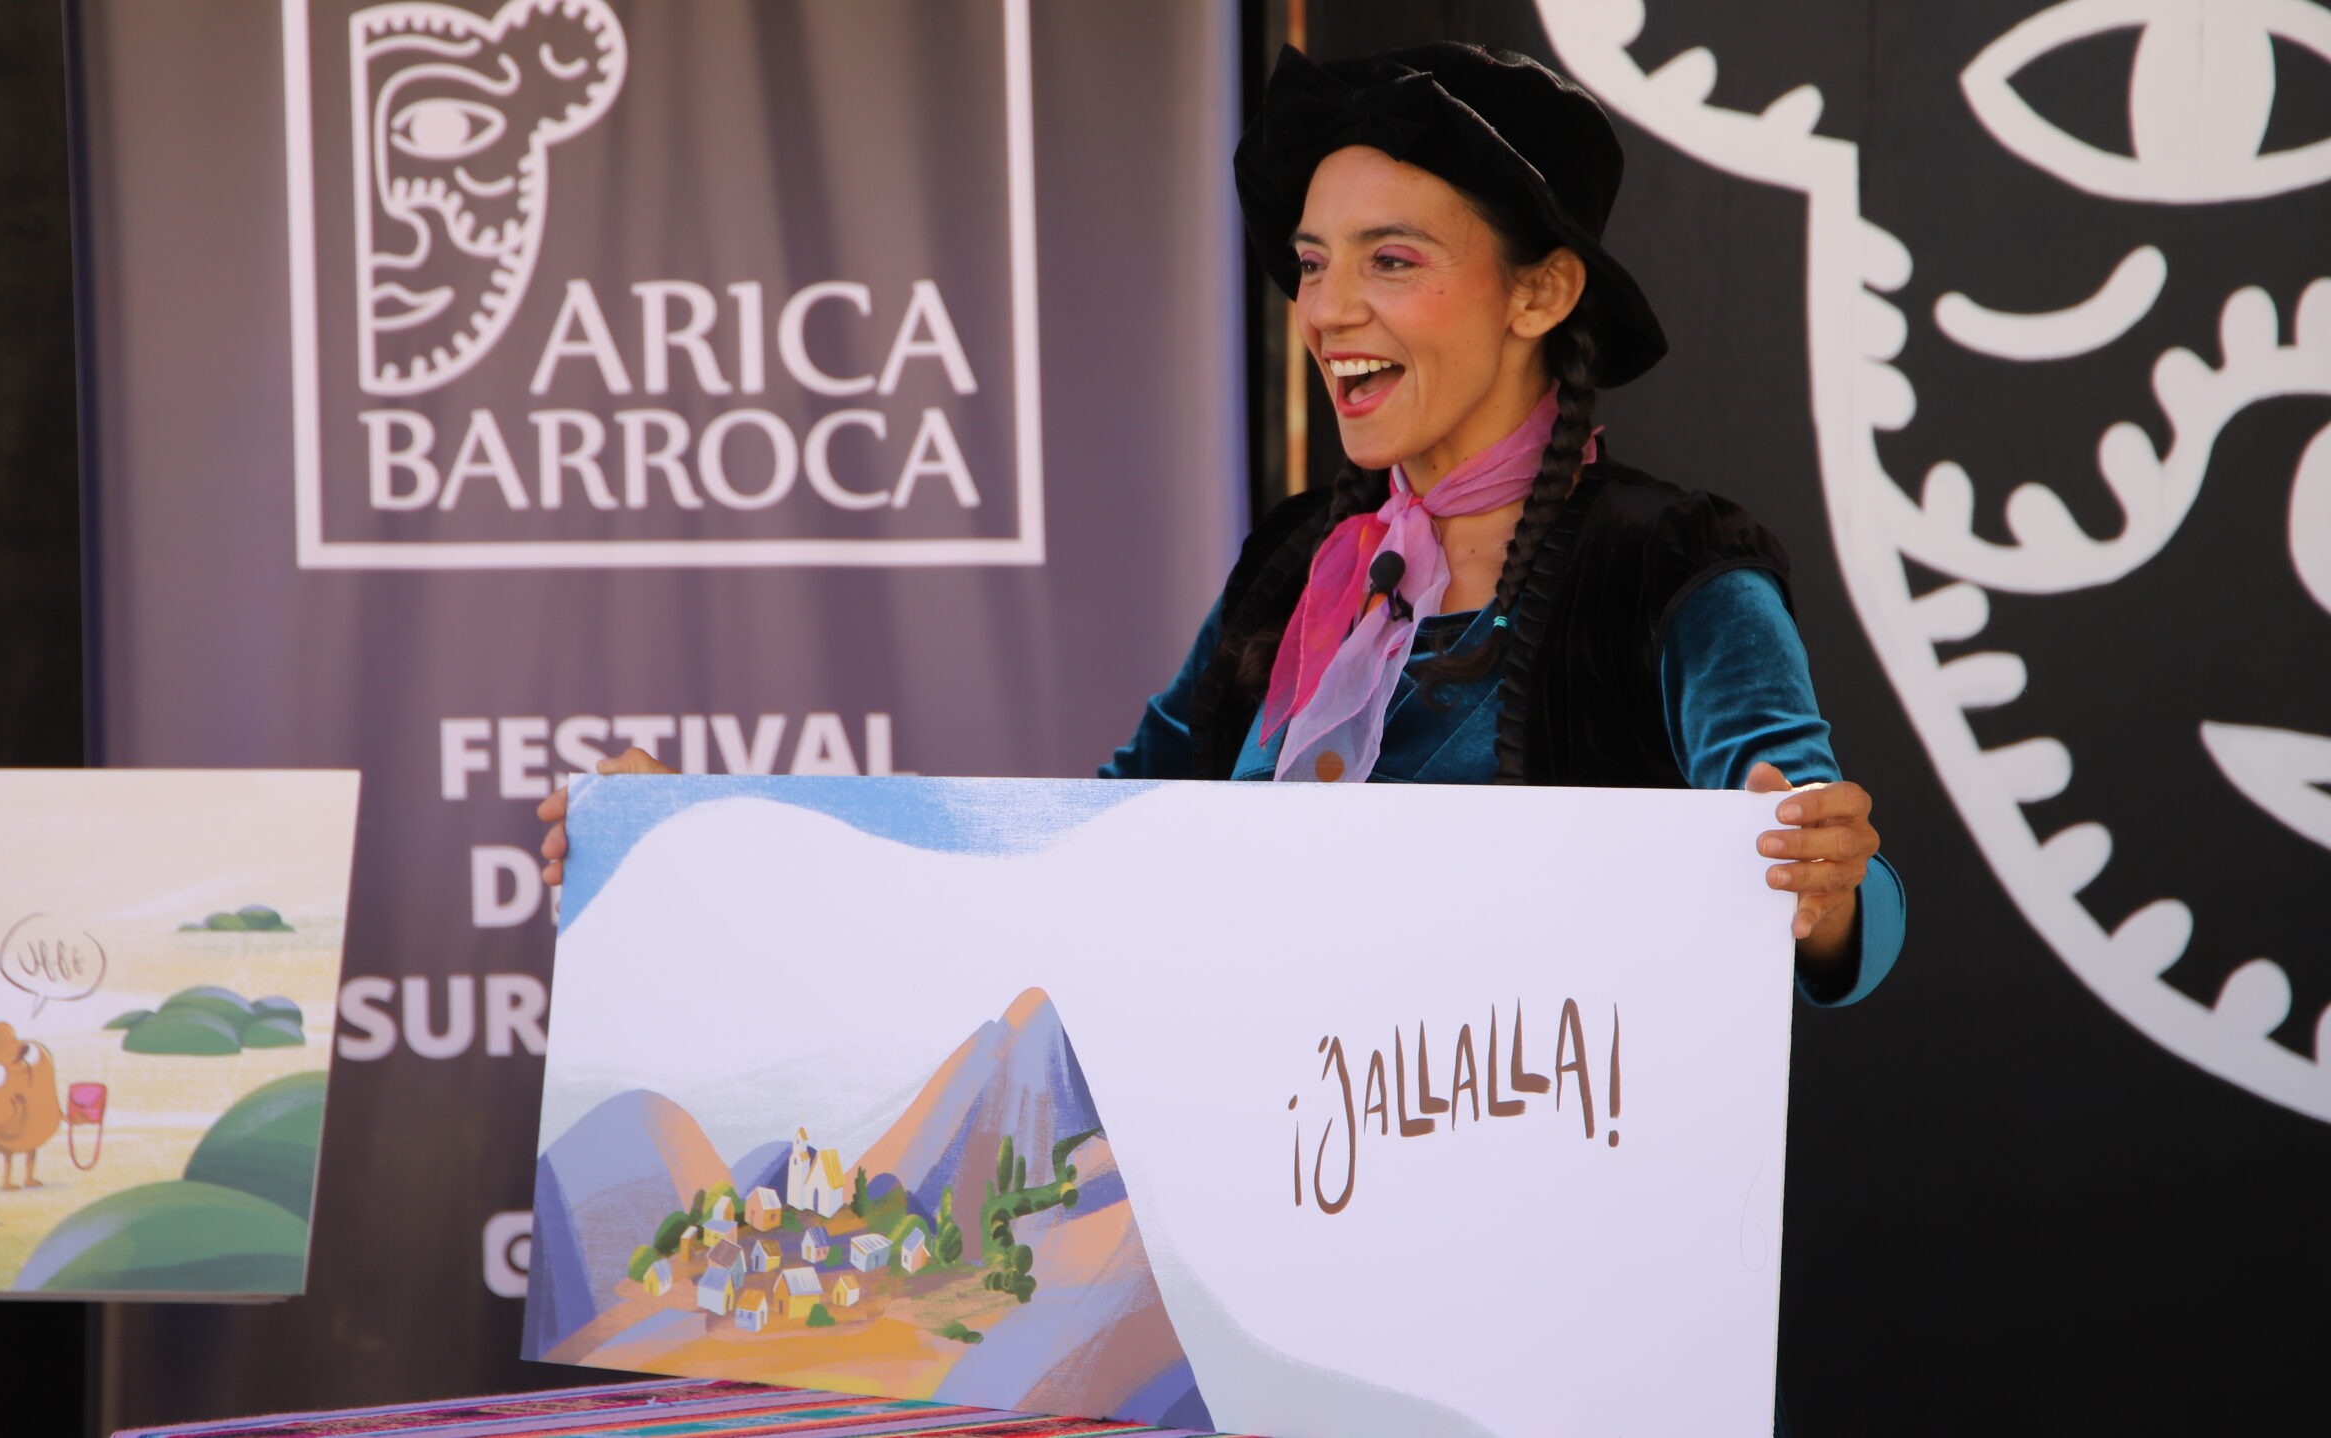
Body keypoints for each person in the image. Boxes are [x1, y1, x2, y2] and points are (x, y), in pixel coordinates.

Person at [541, 41, 1899, 1007]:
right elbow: (1092, 842)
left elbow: (1836, 896)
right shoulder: (1301, 567)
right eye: (1313, 264)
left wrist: (1827, 892)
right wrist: (710, 846)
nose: (1329, 310)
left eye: (1392, 260)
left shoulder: (1674, 572)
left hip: (1537, 1267)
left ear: (1539, 294)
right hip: (1266, 1241)